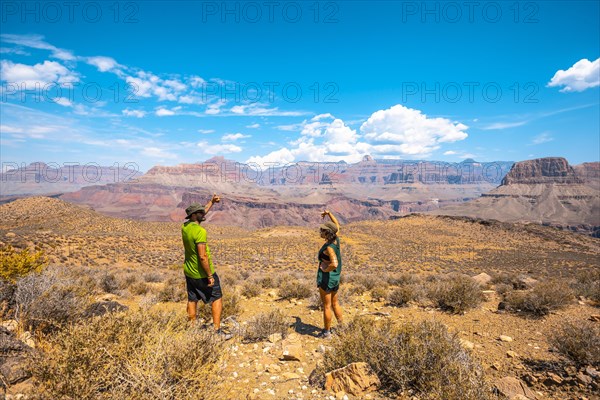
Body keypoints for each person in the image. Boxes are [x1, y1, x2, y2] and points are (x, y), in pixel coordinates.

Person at [181, 194, 230, 339]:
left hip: (189, 271)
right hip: (202, 273)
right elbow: (203, 256)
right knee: (217, 297)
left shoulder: (186, 227)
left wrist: (211, 203)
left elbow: (201, 215)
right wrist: (209, 275)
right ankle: (216, 331)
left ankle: (192, 329)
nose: (204, 214)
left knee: (192, 299)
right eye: (200, 212)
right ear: (195, 215)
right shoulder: (200, 231)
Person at [317, 210, 343, 338]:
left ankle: (326, 332)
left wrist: (325, 269)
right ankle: (341, 327)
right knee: (335, 303)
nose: (320, 231)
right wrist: (329, 214)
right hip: (335, 278)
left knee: (326, 306)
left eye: (322, 230)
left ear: (327, 233)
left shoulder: (329, 247)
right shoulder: (336, 239)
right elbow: (336, 224)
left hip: (327, 279)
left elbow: (334, 263)